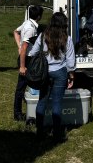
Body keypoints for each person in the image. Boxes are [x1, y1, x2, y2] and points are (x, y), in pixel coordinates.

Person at [28, 12, 76, 142]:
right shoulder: (67, 38)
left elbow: (32, 53)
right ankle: (57, 132)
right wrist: (71, 76)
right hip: (60, 72)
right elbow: (70, 61)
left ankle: (39, 130)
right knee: (57, 103)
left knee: (42, 100)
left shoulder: (43, 36)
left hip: (44, 73)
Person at [13, 5, 43, 121]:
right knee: (21, 87)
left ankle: (21, 111)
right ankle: (18, 114)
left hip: (25, 57)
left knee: (22, 86)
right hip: (27, 59)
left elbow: (15, 32)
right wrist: (22, 66)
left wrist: (18, 46)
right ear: (39, 16)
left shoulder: (26, 23)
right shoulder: (31, 28)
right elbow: (25, 48)